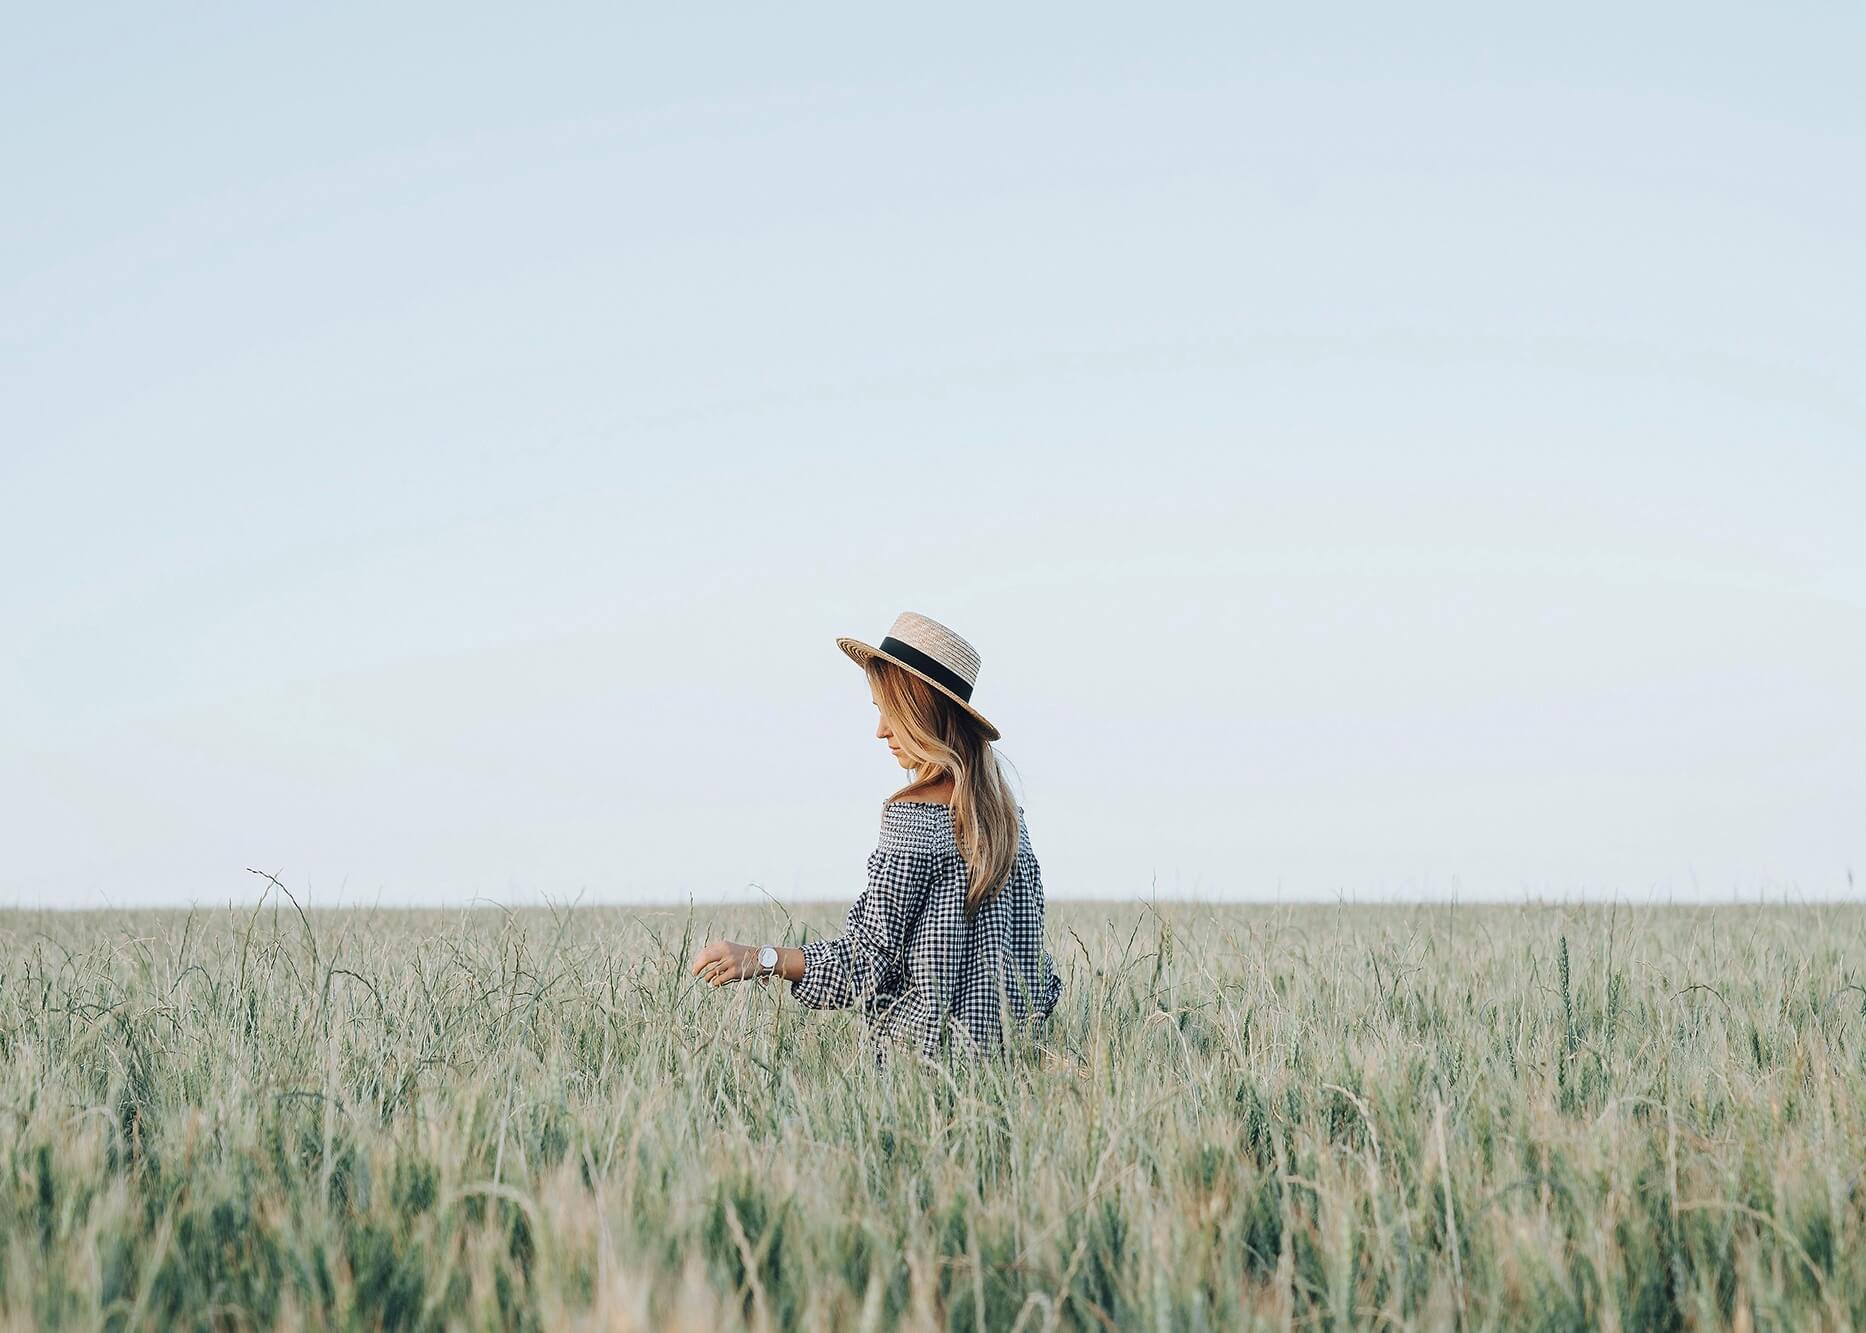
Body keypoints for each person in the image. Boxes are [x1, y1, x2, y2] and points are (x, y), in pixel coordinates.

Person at [688, 610, 1063, 1067]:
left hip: (918, 1080)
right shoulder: (1009, 823)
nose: (881, 730)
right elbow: (1037, 977)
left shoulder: (915, 817)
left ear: (921, 713)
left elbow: (865, 961)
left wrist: (760, 958)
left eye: (890, 712)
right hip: (1006, 1081)